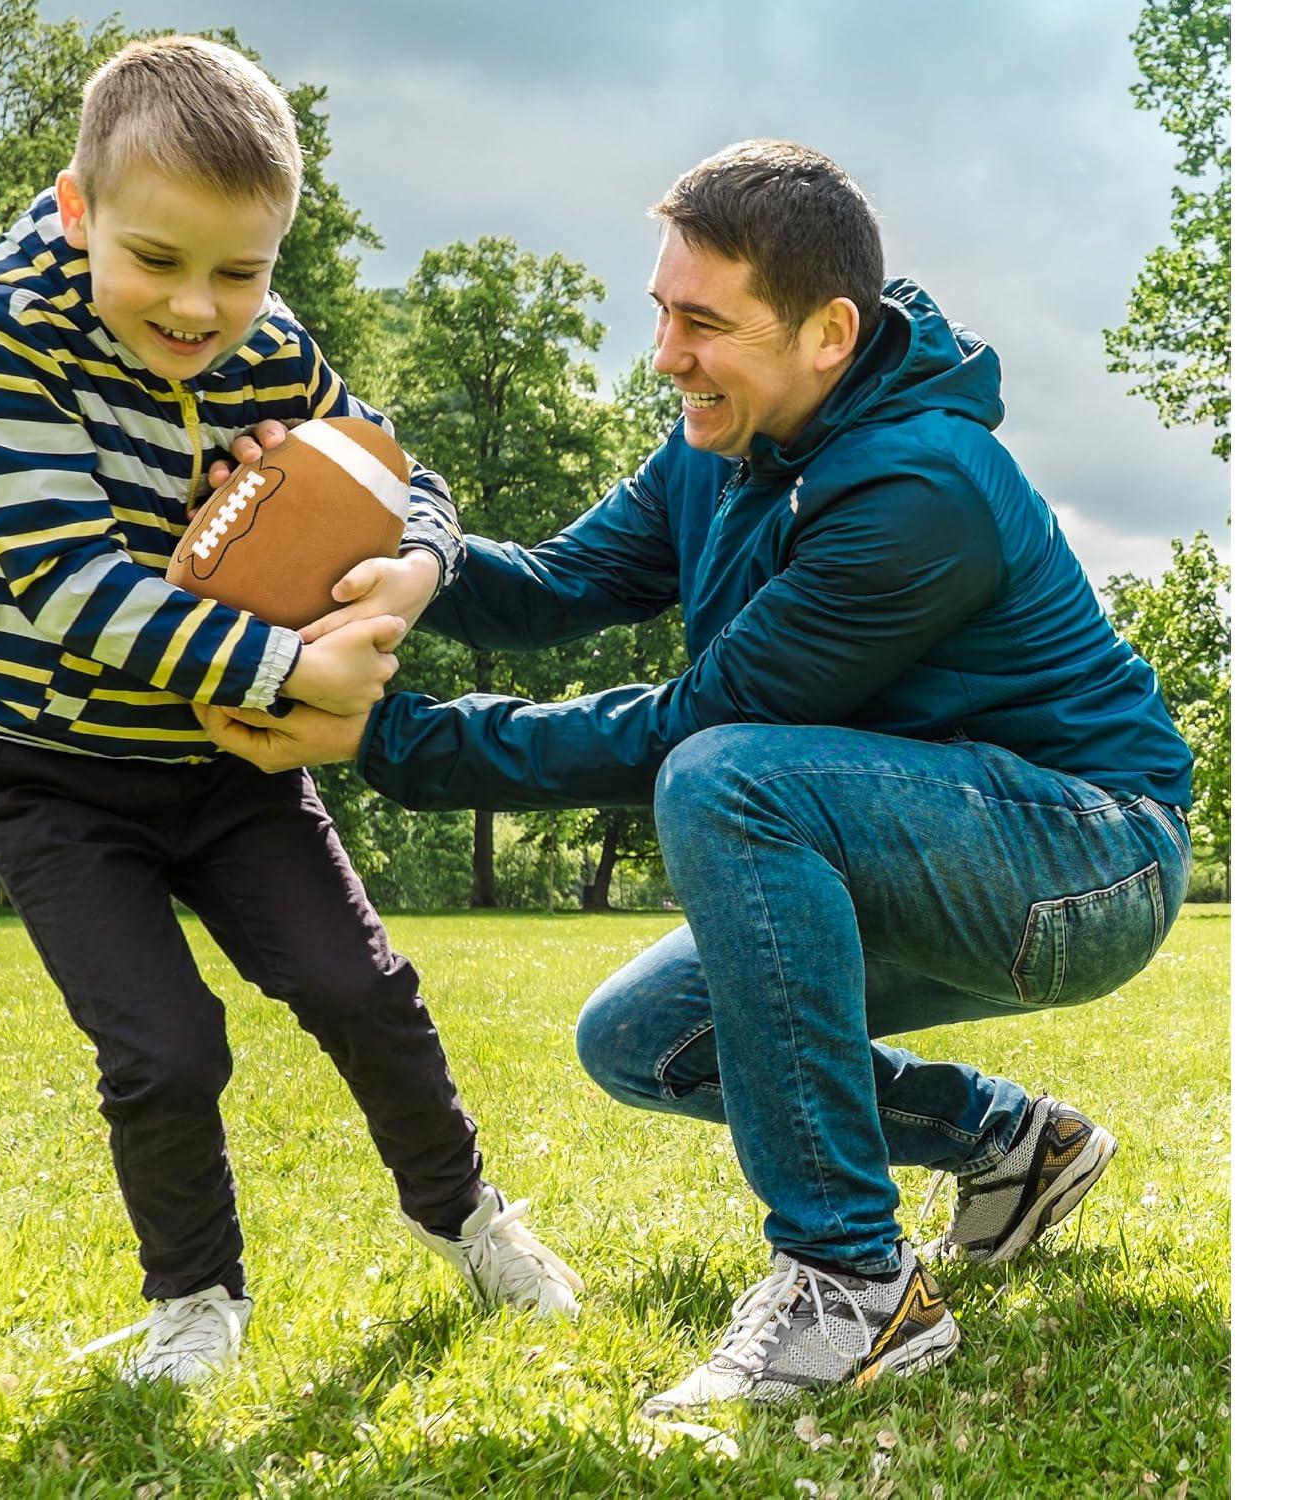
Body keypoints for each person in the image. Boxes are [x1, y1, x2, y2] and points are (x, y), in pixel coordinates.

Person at [199, 139, 1193, 1410]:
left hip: (1087, 861)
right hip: (922, 839)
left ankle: (853, 1281)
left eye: (705, 324)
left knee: (726, 777)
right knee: (643, 1040)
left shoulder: (920, 489)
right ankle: (1011, 1143)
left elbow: (697, 727)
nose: (666, 353)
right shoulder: (722, 444)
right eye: (663, 310)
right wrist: (383, 540)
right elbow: (560, 584)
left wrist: (387, 739)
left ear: (828, 333)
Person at [0, 35, 581, 1387]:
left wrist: (413, 571)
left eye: (241, 270)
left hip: (228, 763)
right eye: (157, 259)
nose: (197, 307)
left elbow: (404, 478)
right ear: (78, 210)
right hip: (48, 769)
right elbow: (68, 585)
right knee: (165, 1050)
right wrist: (294, 670)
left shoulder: (271, 344)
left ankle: (464, 1214)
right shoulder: (6, 342)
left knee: (364, 989)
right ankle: (196, 1299)